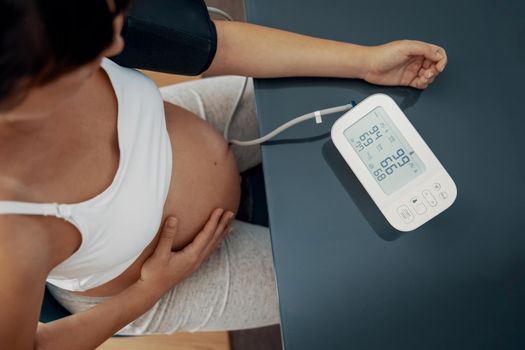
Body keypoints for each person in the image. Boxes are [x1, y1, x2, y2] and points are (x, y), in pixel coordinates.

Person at [0, 0, 447, 349]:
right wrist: (150, 290)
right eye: (93, 55)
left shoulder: (58, 18)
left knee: (367, 94)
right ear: (24, 90)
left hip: (178, 127)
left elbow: (219, 46)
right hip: (157, 279)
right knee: (387, 282)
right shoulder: (10, 239)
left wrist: (364, 62)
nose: (117, 48)